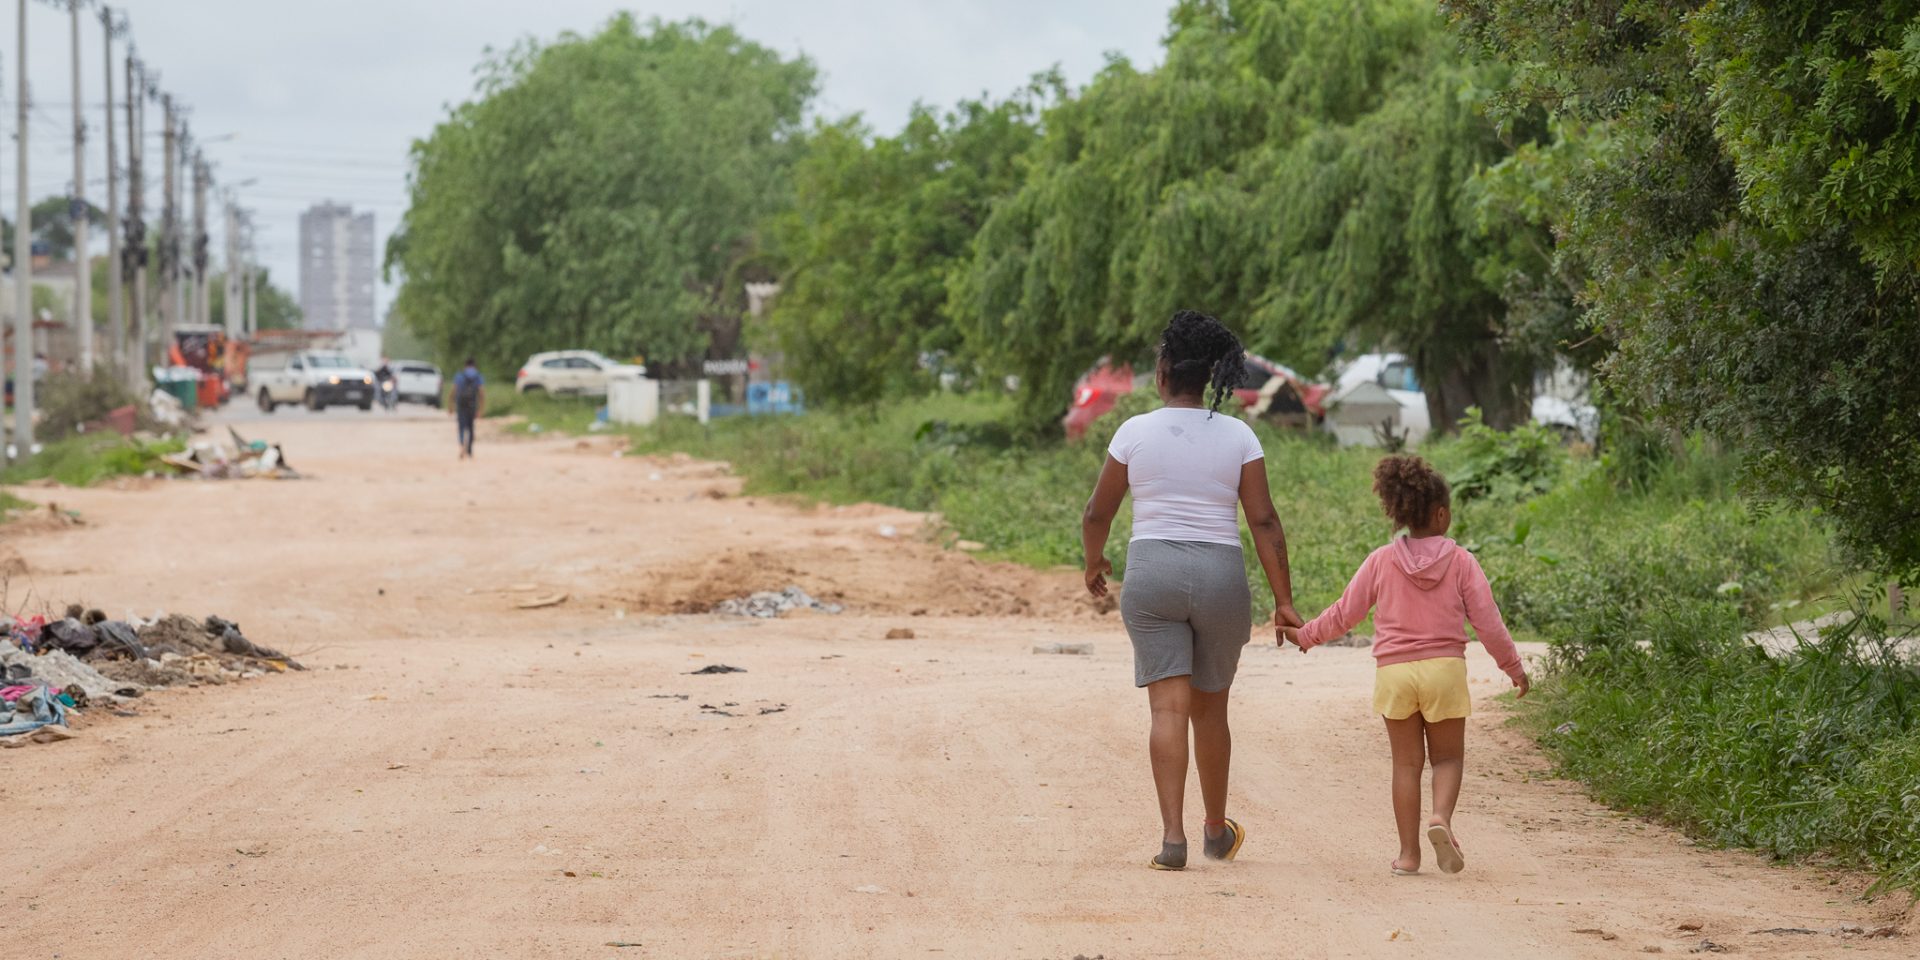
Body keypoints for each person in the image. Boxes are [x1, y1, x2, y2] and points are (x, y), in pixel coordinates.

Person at [1081, 309, 1302, 872]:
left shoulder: (1133, 432)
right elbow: (1265, 521)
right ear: (1208, 377)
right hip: (1220, 576)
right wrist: (1284, 599)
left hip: (1152, 572)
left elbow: (1097, 511)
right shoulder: (1240, 434)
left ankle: (1172, 839)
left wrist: (1094, 561)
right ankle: (1215, 830)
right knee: (1212, 711)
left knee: (1167, 709)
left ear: (1161, 374)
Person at [1282, 455, 1530, 877]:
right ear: (1441, 514)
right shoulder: (1462, 562)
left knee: (1406, 765)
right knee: (1448, 760)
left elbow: (1346, 612)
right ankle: (1441, 819)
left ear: (1399, 514)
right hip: (1444, 671)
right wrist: (1514, 667)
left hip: (1395, 674)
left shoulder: (1381, 560)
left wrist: (1306, 636)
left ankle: (1409, 855)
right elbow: (1488, 623)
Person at [449, 358, 485, 459]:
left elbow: (453, 391)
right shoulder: (478, 376)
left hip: (461, 405)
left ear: (465, 366)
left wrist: (450, 405)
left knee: (461, 427)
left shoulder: (460, 375)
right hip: (472, 405)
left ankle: (461, 447)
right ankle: (469, 449)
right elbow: (481, 393)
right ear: (475, 365)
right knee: (470, 428)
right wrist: (481, 409)